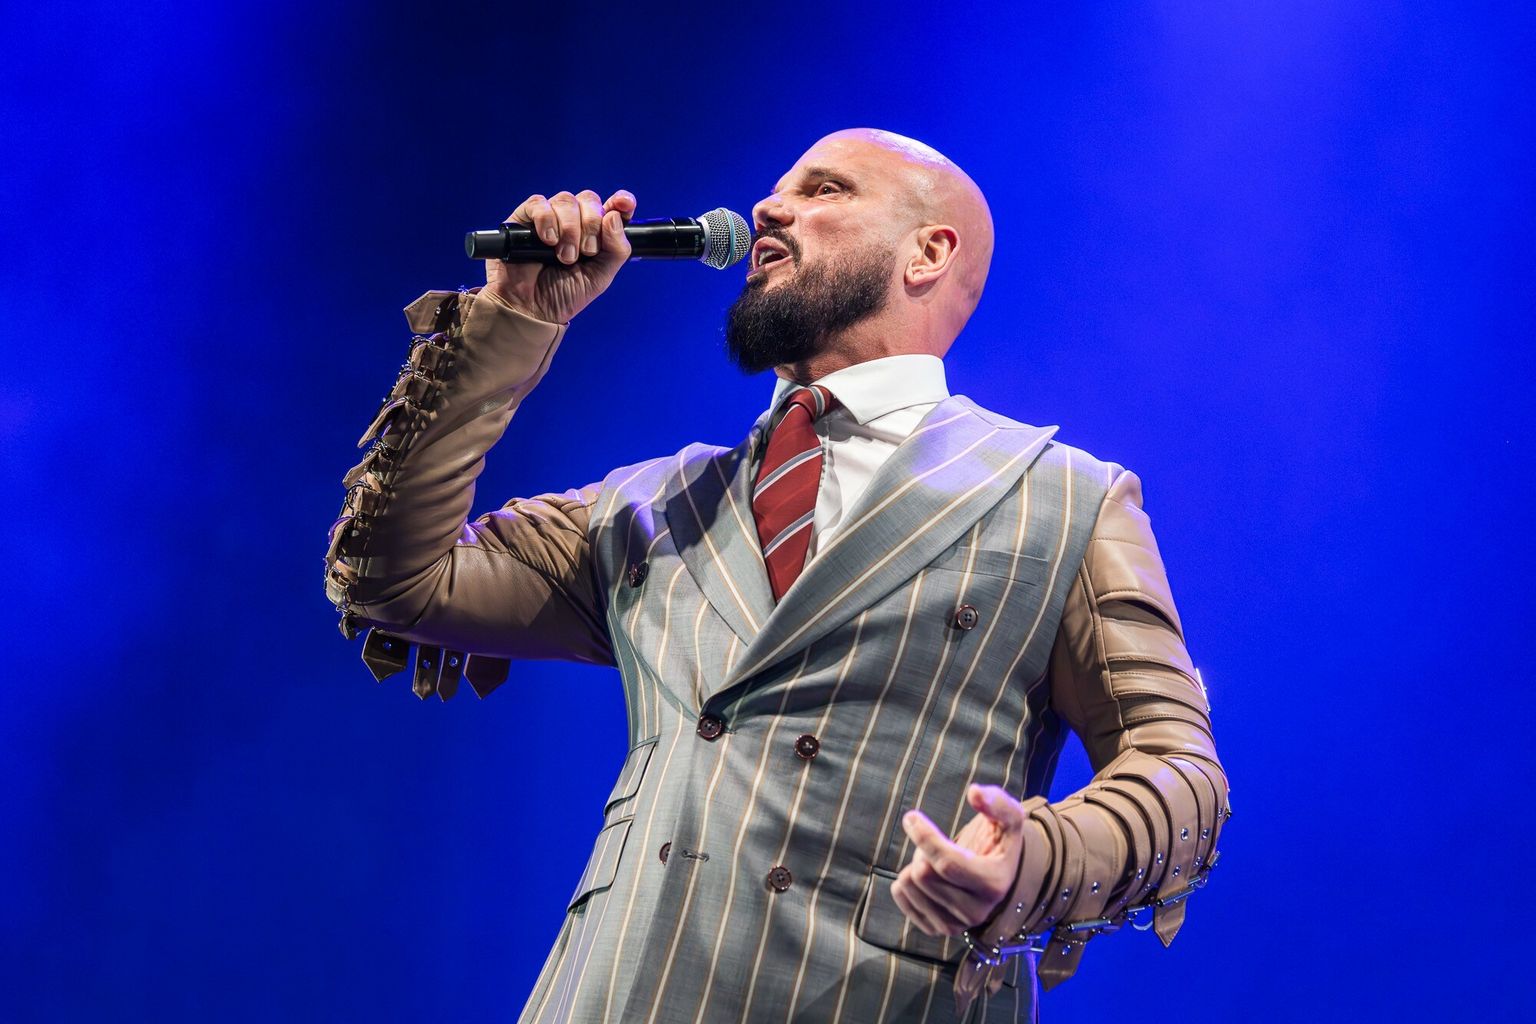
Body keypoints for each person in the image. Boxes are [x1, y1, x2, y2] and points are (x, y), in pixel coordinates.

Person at [323, 128, 1228, 1023]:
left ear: (927, 253)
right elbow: (393, 579)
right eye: (778, 189)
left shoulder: (1063, 499)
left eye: (825, 190)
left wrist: (1037, 860)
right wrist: (515, 317)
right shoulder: (650, 505)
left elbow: (1180, 769)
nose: (767, 207)